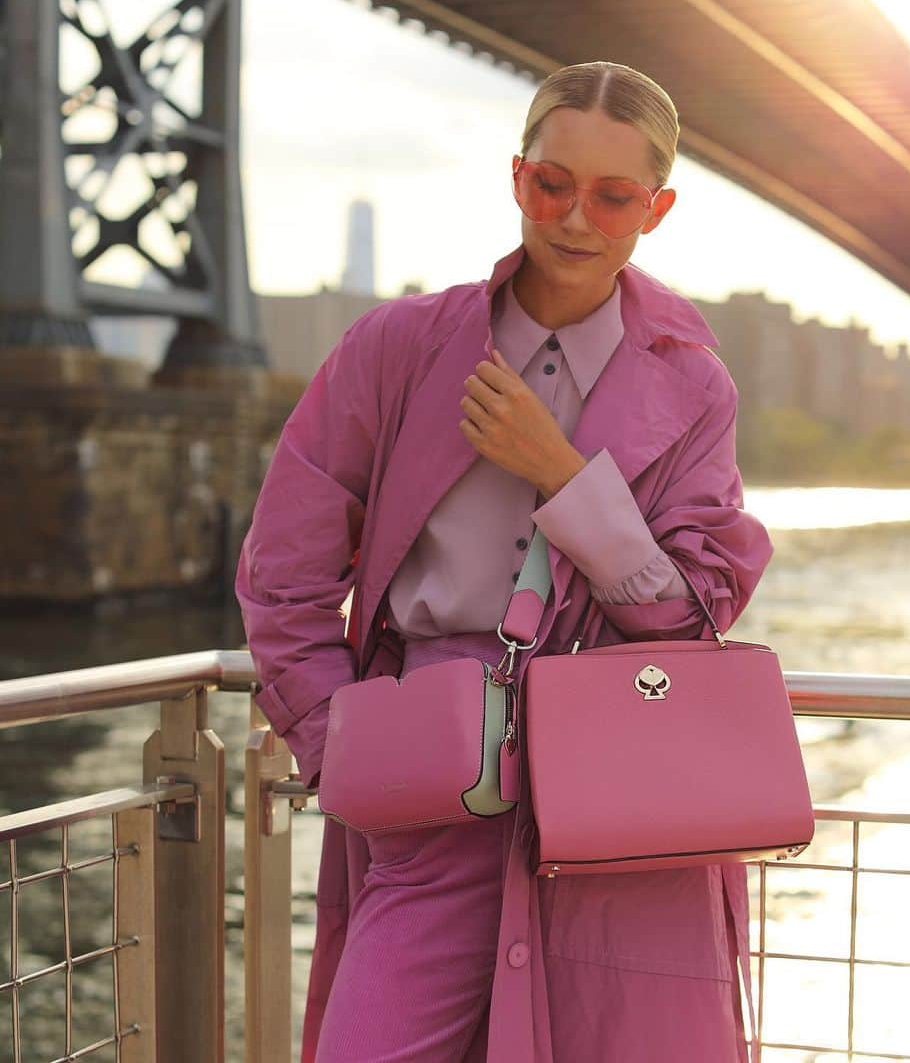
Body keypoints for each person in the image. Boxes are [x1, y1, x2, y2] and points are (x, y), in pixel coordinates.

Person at [235, 60, 774, 1063]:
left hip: (621, 806)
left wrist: (566, 477)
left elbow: (694, 613)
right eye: (551, 184)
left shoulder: (693, 385)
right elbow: (283, 573)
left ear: (655, 209)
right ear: (517, 176)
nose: (576, 218)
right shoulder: (398, 349)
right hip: (427, 789)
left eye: (612, 196)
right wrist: (334, 740)